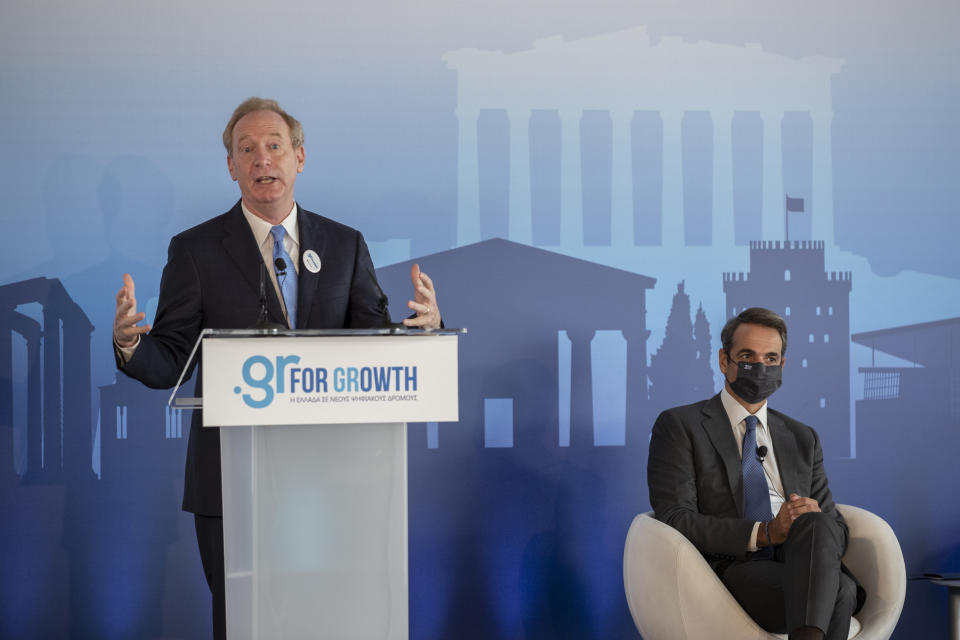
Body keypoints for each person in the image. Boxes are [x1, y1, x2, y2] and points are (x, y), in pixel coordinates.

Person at [112, 97, 442, 639]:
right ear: (231, 166)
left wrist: (422, 334)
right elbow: (169, 359)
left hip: (331, 482)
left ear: (300, 158)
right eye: (247, 150)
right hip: (231, 483)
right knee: (244, 622)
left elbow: (376, 344)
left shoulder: (345, 244)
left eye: (274, 146)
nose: (262, 159)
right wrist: (130, 344)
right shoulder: (195, 251)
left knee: (326, 619)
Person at [647, 307, 864, 640]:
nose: (761, 368)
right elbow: (675, 518)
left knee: (818, 523)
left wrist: (806, 520)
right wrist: (765, 533)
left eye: (771, 358)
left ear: (782, 366)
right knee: (842, 591)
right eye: (748, 356)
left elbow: (836, 528)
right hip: (732, 568)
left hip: (799, 559)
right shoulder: (680, 426)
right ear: (724, 361)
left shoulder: (802, 437)